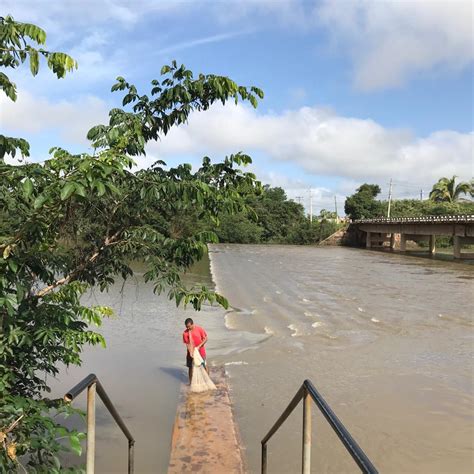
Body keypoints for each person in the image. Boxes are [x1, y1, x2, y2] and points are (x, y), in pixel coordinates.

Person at [182, 318, 208, 384]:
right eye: (186, 327)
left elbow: (206, 338)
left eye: (189, 326)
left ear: (193, 324)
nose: (188, 328)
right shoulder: (185, 333)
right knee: (190, 367)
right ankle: (191, 382)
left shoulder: (199, 329)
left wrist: (199, 346)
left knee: (204, 365)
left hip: (201, 351)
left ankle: (207, 380)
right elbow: (187, 344)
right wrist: (191, 352)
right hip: (190, 352)